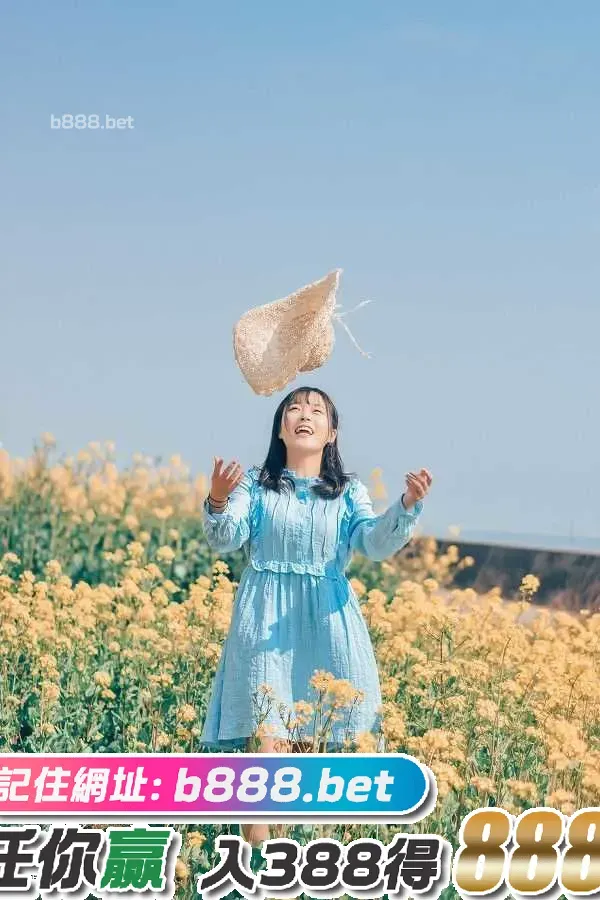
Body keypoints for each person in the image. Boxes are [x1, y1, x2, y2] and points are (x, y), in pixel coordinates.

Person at [200, 386, 432, 846]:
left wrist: (406, 506)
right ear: (280, 428)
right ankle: (258, 864)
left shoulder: (348, 492)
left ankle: (293, 861)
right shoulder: (255, 485)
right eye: (293, 409)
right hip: (263, 624)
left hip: (328, 625)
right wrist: (219, 500)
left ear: (332, 433)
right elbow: (225, 539)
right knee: (267, 746)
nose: (304, 415)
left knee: (310, 757)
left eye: (316, 410)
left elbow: (373, 544)